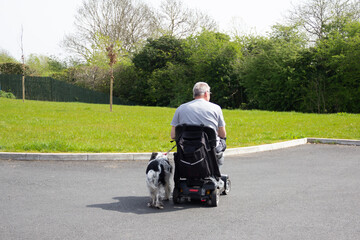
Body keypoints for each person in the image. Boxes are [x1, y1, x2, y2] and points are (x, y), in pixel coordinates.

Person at [170, 82, 227, 167]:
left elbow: (173, 135)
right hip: (209, 150)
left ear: (194, 94)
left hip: (187, 150)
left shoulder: (180, 108)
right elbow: (222, 134)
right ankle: (216, 171)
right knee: (222, 141)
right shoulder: (216, 108)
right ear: (206, 93)